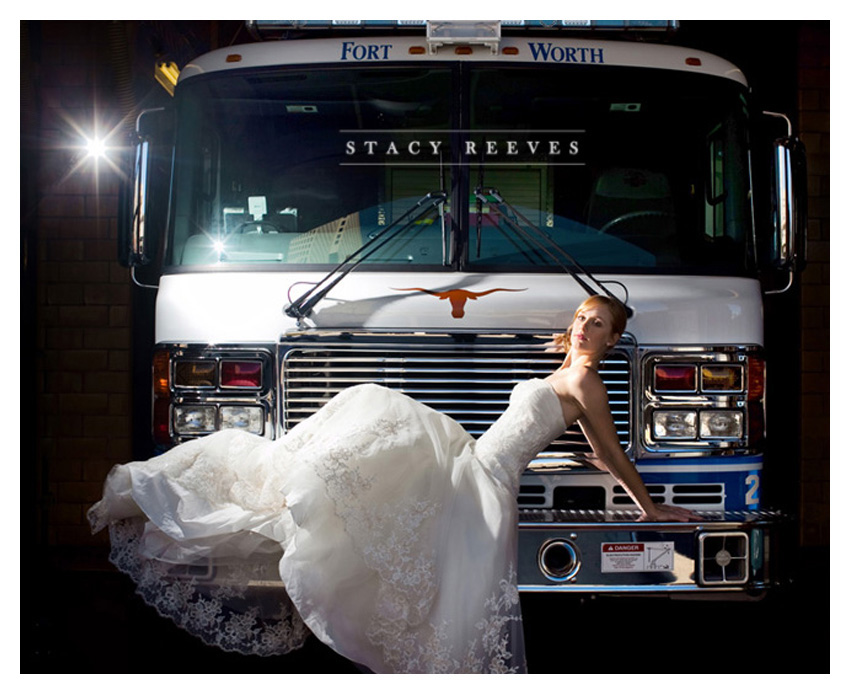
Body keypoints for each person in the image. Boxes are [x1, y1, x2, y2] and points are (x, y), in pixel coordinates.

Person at [88, 295, 697, 673]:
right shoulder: (567, 369)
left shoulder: (588, 381)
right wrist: (589, 455)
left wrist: (648, 507)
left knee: (433, 573)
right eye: (583, 317)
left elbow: (612, 448)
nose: (586, 327)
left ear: (615, 340)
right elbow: (592, 443)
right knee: (363, 429)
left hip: (485, 479)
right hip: (472, 459)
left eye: (599, 324)